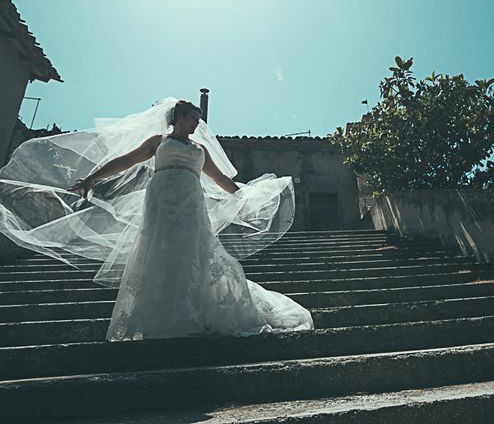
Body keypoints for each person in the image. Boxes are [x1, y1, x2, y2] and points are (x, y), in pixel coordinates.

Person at [1, 98, 314, 340]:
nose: (197, 122)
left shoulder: (200, 149)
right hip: (160, 202)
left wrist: (246, 194)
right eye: (193, 117)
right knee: (158, 251)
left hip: (191, 203)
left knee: (194, 252)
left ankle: (195, 311)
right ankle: (160, 316)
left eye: (198, 119)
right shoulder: (157, 142)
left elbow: (221, 180)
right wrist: (90, 180)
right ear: (177, 117)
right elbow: (124, 161)